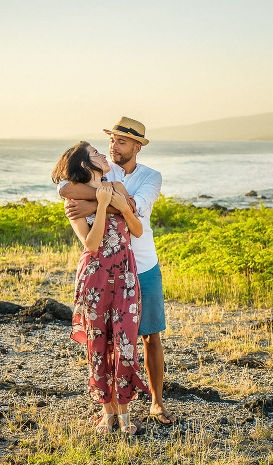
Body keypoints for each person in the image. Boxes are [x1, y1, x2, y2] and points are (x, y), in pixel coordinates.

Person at [59, 117, 177, 426]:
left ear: (137, 147)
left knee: (151, 336)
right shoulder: (104, 170)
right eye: (112, 140)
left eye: (121, 141)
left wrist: (92, 206)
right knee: (106, 341)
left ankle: (156, 403)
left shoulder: (152, 176)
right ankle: (111, 408)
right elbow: (64, 186)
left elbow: (134, 207)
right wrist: (97, 201)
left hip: (143, 266)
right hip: (106, 272)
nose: (113, 146)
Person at [51, 141, 150, 435]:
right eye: (96, 154)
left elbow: (137, 229)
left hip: (126, 276)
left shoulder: (117, 186)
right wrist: (104, 206)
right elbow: (91, 244)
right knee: (98, 345)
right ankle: (108, 413)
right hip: (95, 277)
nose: (104, 155)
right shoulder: (73, 203)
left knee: (126, 344)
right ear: (85, 164)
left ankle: (124, 412)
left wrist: (116, 203)